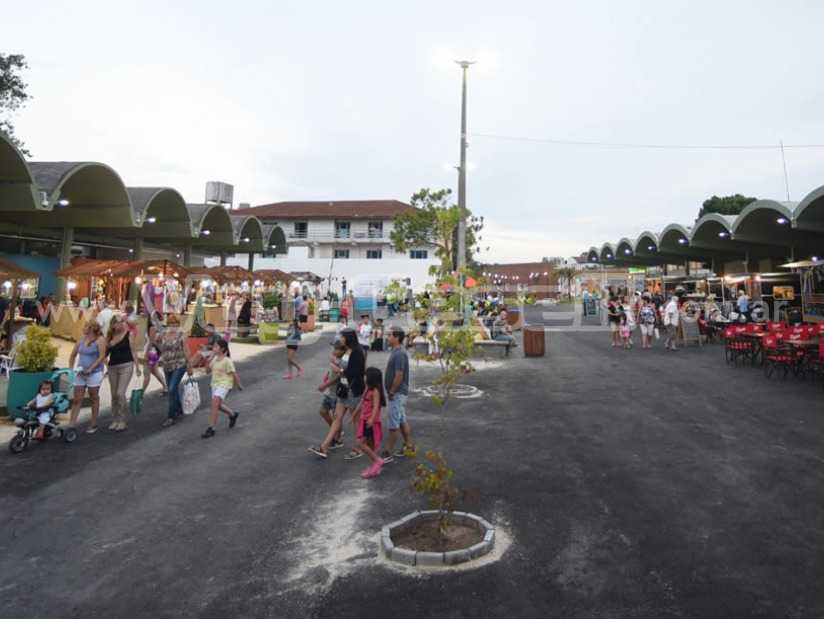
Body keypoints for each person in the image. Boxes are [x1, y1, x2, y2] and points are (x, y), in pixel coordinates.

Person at [309, 329, 365, 459]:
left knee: (356, 420)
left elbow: (356, 372)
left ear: (348, 338)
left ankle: (359, 448)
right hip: (343, 389)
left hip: (353, 390)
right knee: (337, 418)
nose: (341, 339)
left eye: (343, 337)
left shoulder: (357, 352)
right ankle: (324, 447)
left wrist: (339, 370)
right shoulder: (347, 350)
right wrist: (337, 365)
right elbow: (343, 366)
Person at [381, 327, 415, 462]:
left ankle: (388, 452)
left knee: (393, 423)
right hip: (398, 393)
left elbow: (399, 375)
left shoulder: (400, 353)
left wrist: (392, 391)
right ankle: (409, 445)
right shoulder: (396, 351)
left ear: (396, 338)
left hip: (397, 393)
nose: (387, 337)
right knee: (401, 420)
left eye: (389, 335)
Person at [68, 320, 107, 433]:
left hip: (94, 373)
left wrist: (91, 368)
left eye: (86, 326)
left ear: (92, 328)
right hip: (80, 372)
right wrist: (71, 369)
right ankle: (72, 423)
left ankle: (93, 422)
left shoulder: (100, 340)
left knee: (93, 397)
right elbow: (73, 355)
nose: (83, 328)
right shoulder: (81, 339)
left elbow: (101, 356)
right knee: (77, 399)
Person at [105, 314, 141, 432]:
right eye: (117, 323)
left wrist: (137, 366)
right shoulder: (110, 336)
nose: (119, 325)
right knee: (114, 394)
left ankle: (122, 420)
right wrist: (103, 365)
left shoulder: (128, 334)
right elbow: (104, 353)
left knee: (120, 393)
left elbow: (133, 350)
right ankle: (115, 419)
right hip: (112, 367)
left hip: (126, 365)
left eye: (121, 322)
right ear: (112, 325)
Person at [201, 338, 242, 438]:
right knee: (218, 406)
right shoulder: (214, 359)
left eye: (216, 346)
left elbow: (234, 374)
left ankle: (211, 428)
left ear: (222, 349)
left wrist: (238, 385)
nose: (214, 348)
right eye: (214, 346)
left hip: (225, 384)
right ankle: (232, 415)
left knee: (214, 403)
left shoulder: (227, 361)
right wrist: (207, 361)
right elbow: (207, 372)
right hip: (214, 384)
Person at [158, 314, 193, 427]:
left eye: (175, 324)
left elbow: (186, 350)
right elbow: (159, 346)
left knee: (172, 389)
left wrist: (189, 365)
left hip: (179, 364)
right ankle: (178, 409)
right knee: (173, 389)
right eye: (171, 324)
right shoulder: (163, 334)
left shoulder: (181, 335)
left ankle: (171, 416)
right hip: (167, 365)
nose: (173, 326)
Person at [316, 341, 347, 449]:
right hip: (329, 392)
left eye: (336, 349)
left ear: (343, 350)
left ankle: (338, 439)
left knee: (336, 417)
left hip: (336, 393)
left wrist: (325, 384)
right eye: (334, 348)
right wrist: (326, 377)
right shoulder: (335, 359)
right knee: (323, 411)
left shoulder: (343, 362)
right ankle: (335, 431)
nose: (334, 351)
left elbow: (338, 377)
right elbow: (331, 372)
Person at [357, 367, 386, 478]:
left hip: (370, 421)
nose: (364, 377)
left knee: (360, 443)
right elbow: (362, 403)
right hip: (365, 420)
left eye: (366, 375)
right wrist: (355, 415)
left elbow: (376, 407)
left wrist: (371, 419)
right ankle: (375, 467)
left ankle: (378, 461)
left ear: (371, 378)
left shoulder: (375, 391)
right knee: (370, 445)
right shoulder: (368, 389)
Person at [142, 311, 168, 395]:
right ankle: (166, 387)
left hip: (151, 352)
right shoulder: (159, 327)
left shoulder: (152, 327)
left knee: (146, 373)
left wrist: (146, 354)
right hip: (155, 352)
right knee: (154, 371)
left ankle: (141, 393)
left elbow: (151, 342)